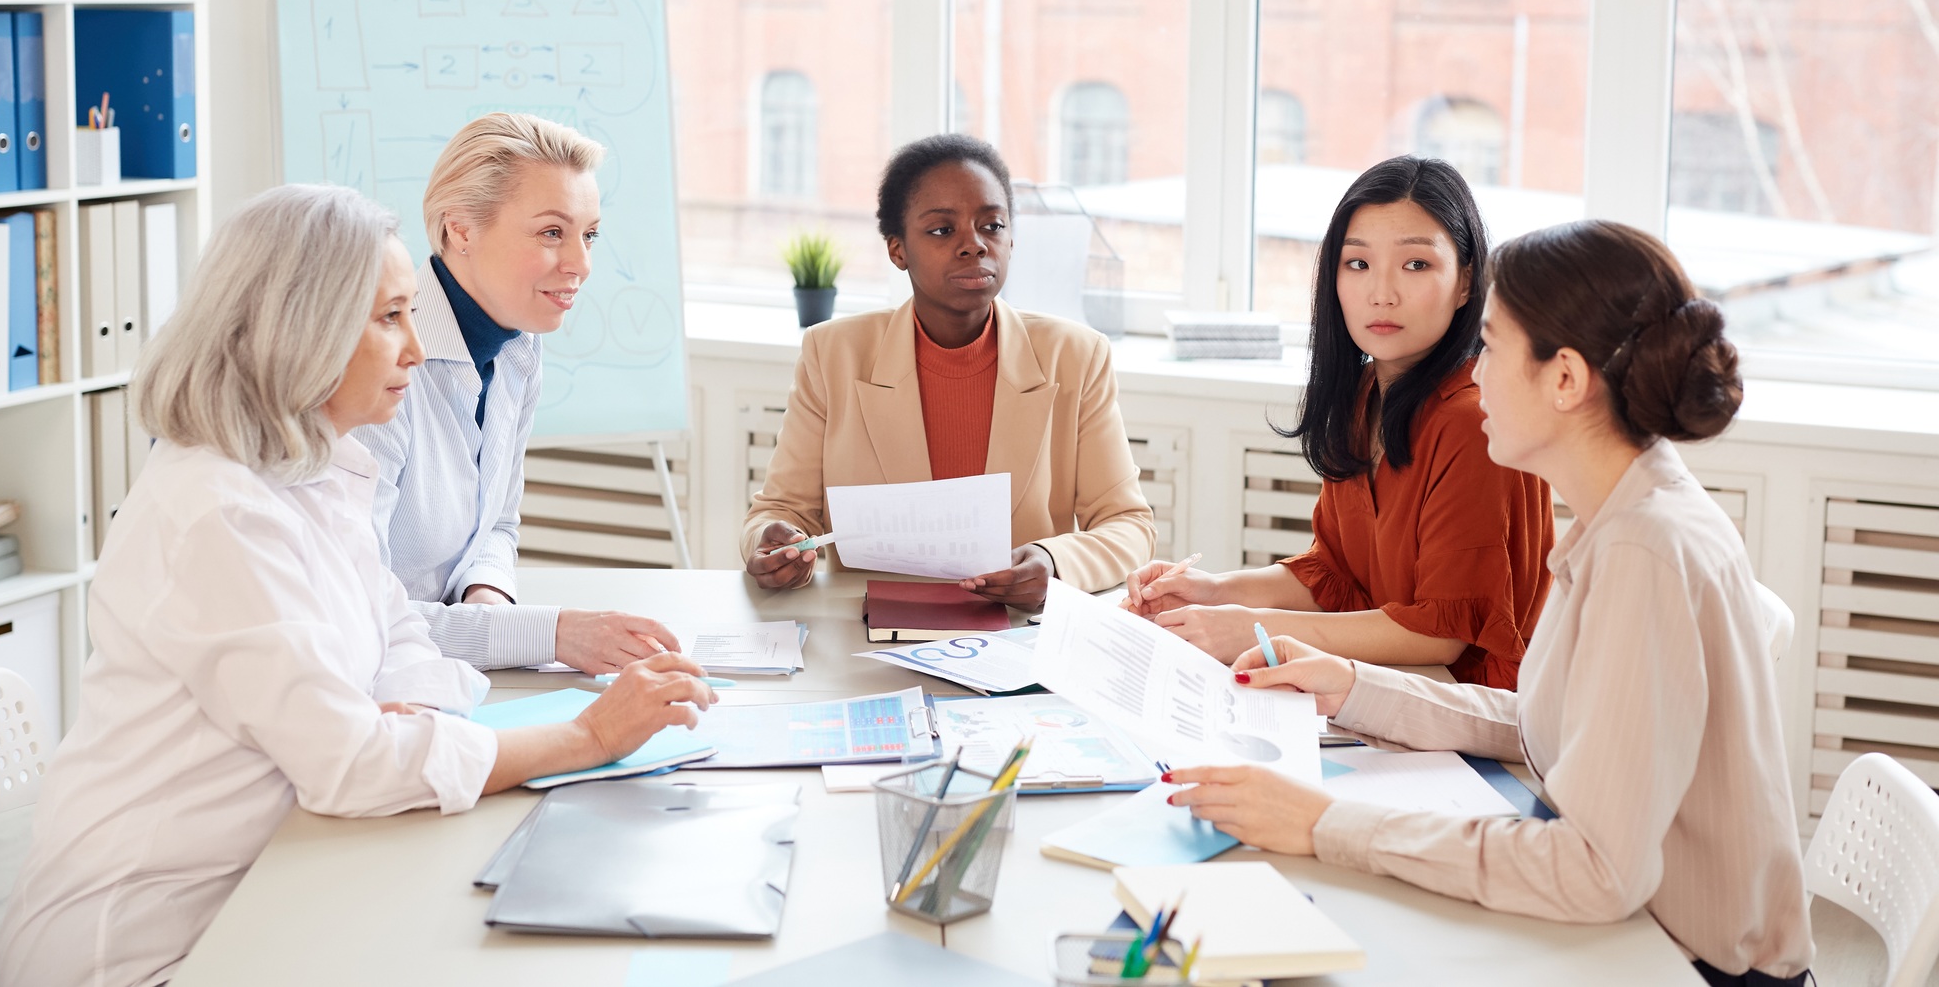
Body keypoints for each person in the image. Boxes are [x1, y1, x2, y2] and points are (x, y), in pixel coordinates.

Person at [0, 186, 713, 987]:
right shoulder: (218, 511)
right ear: (298, 331)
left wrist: (407, 724)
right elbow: (353, 765)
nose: (414, 348)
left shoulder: (320, 465)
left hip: (283, 882)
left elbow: (399, 638)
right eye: (389, 317)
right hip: (153, 945)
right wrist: (589, 738)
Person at [1165, 220, 1813, 986]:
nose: (1475, 377)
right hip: (1643, 930)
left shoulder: (1645, 550)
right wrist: (1350, 683)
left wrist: (1323, 823)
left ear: (1565, 378)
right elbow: (1556, 723)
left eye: (1493, 348)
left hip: (1679, 961)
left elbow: (1595, 871)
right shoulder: (1627, 514)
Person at [1124, 156, 1553, 688]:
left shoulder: (1472, 420)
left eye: (1416, 265)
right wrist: (1215, 590)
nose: (1382, 292)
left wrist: (1250, 627)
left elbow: (1440, 634)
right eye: (1358, 264)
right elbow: (1334, 575)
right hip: (1383, 688)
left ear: (1467, 282)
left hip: (1473, 711)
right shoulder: (1364, 393)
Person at [741, 133, 1154, 607]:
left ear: (1011, 239)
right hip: (871, 634)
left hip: (1015, 634)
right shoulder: (832, 353)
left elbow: (1128, 525)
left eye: (992, 225)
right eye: (942, 230)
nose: (974, 246)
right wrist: (772, 546)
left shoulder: (1076, 356)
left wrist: (1054, 561)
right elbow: (779, 511)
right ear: (898, 250)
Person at [354, 113, 678, 674]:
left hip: (446, 671)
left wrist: (490, 603)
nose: (581, 263)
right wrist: (551, 635)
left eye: (589, 234)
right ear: (461, 230)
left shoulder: (518, 345)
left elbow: (497, 525)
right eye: (552, 232)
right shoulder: (377, 362)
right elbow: (362, 614)